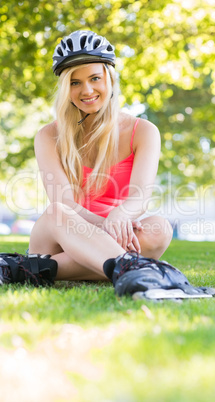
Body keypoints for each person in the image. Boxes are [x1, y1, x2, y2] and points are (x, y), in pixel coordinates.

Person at [27, 29, 173, 283]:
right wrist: (106, 228)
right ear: (65, 88)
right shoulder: (48, 136)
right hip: (60, 239)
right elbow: (65, 204)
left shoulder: (143, 132)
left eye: (95, 78)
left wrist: (120, 215)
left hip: (117, 234)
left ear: (110, 79)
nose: (87, 90)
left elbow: (140, 196)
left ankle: (28, 269)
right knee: (57, 212)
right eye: (75, 82)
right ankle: (128, 264)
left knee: (160, 229)